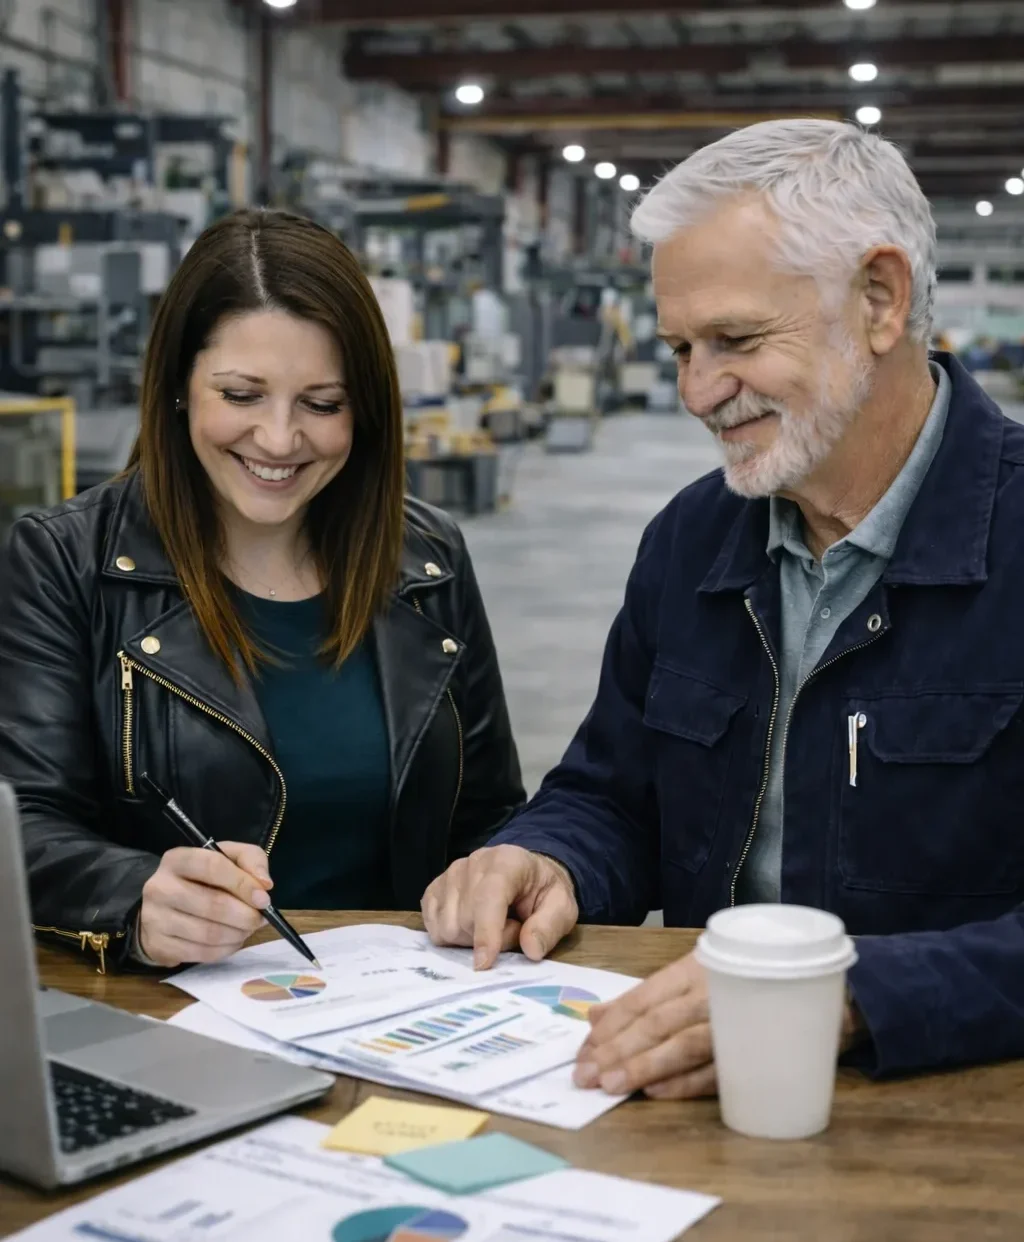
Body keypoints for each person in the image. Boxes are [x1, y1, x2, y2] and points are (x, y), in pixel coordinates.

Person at [422, 120, 1024, 1097]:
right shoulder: (694, 540)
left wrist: (856, 997)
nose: (698, 392)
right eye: (678, 348)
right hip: (715, 1104)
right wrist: (546, 855)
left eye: (735, 340)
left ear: (879, 299)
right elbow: (612, 792)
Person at [0, 208, 523, 972]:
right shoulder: (64, 560)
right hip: (171, 1016)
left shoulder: (429, 557)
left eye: (322, 404)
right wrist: (135, 897)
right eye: (242, 395)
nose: (280, 440)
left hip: (400, 1009)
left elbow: (489, 813)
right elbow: (24, 822)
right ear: (179, 386)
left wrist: (509, 871)